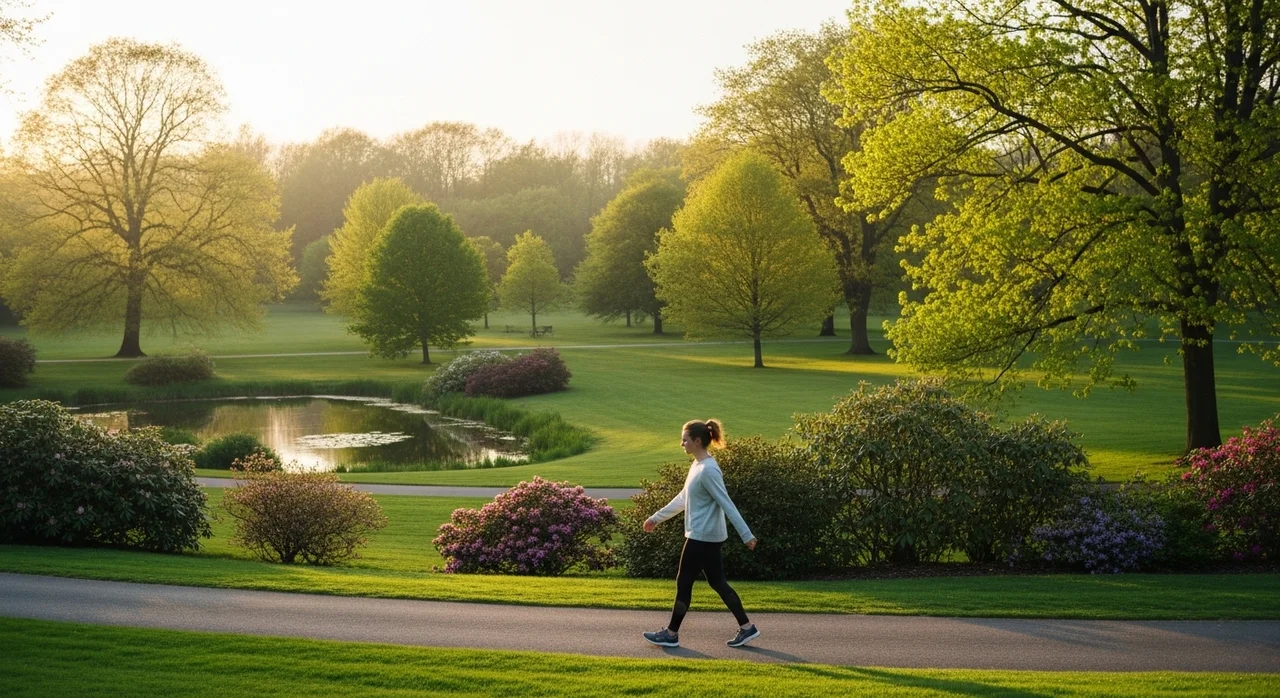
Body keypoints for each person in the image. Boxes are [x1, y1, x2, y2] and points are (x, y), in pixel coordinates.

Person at [642, 419, 759, 649]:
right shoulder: (697, 466)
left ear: (697, 441)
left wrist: (746, 534)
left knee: (684, 582)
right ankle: (747, 628)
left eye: (685, 439)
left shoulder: (709, 470)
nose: (681, 443)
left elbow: (727, 503)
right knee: (718, 583)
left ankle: (671, 634)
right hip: (704, 536)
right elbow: (683, 499)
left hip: (701, 537)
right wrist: (656, 517)